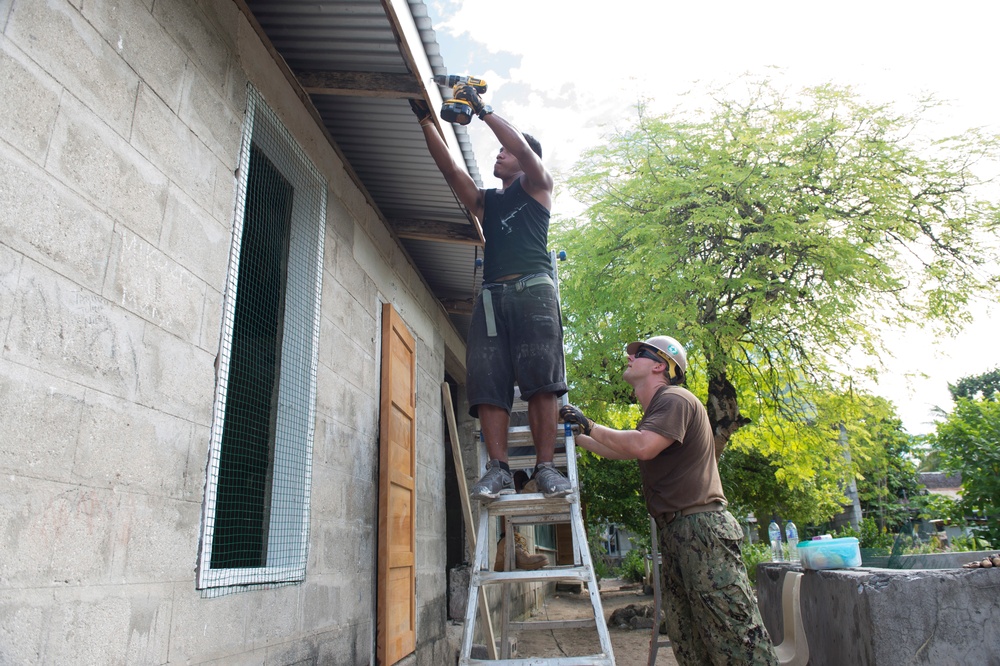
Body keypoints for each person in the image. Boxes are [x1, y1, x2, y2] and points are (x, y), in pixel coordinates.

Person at [560, 336, 778, 665]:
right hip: (681, 533)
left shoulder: (675, 399)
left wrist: (590, 423)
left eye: (639, 354)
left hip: (701, 531)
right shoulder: (659, 413)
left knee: (735, 635)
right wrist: (577, 436)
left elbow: (641, 446)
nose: (629, 356)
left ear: (661, 365)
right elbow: (621, 449)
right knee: (690, 639)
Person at [409, 87, 571, 501]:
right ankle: (498, 470)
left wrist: (483, 111)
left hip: (534, 291)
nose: (498, 155)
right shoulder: (488, 202)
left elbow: (519, 144)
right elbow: (450, 171)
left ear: (524, 159)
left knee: (542, 382)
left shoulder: (538, 185)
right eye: (496, 151)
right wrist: (426, 119)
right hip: (492, 298)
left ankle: (545, 468)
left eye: (505, 152)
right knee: (488, 382)